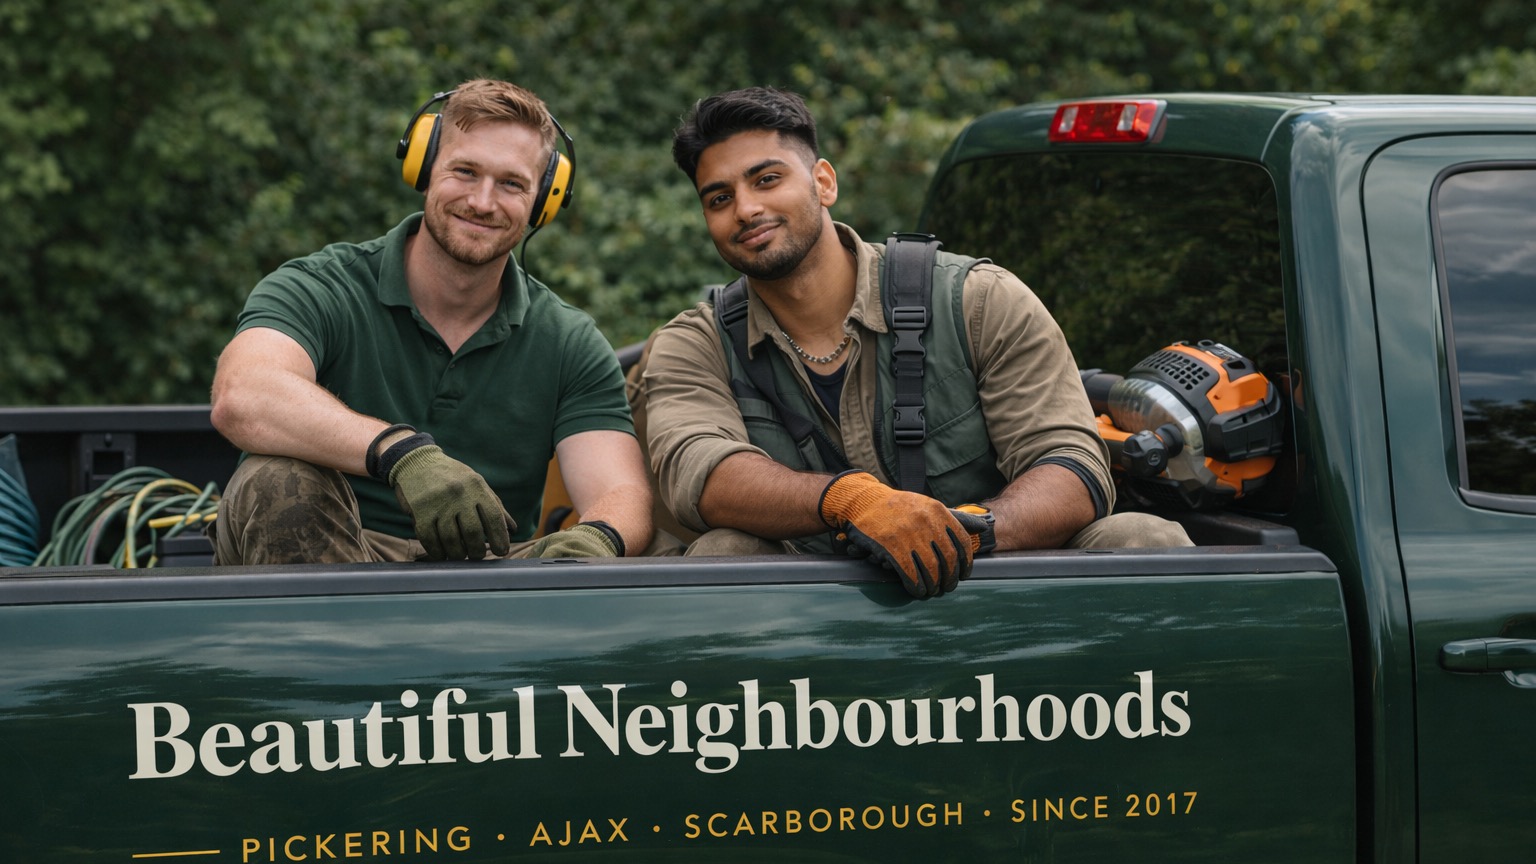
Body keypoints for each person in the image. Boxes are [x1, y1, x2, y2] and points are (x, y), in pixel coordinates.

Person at [639, 86, 1190, 598]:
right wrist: (851, 501)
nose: (746, 209)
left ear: (824, 182)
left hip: (999, 586)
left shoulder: (978, 299)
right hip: (808, 619)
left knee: (1147, 539)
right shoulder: (694, 344)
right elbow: (704, 474)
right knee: (722, 553)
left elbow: (1071, 467)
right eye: (718, 198)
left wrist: (959, 534)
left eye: (766, 180)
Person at [210, 79, 652, 564]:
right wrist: (401, 454)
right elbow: (243, 395)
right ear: (423, 168)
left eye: (511, 184)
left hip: (489, 575)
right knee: (275, 479)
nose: (482, 202)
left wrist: (598, 538)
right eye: (464, 171)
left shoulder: (569, 340)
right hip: (336, 553)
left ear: (543, 201)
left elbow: (623, 493)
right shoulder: (321, 286)